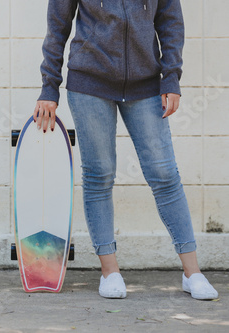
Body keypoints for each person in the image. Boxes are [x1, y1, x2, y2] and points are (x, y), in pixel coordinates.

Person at [34, 0, 218, 300]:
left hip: (146, 85)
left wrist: (171, 76)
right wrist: (49, 87)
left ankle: (192, 273)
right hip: (88, 84)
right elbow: (58, 27)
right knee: (99, 175)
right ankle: (110, 271)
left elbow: (170, 19)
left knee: (164, 174)